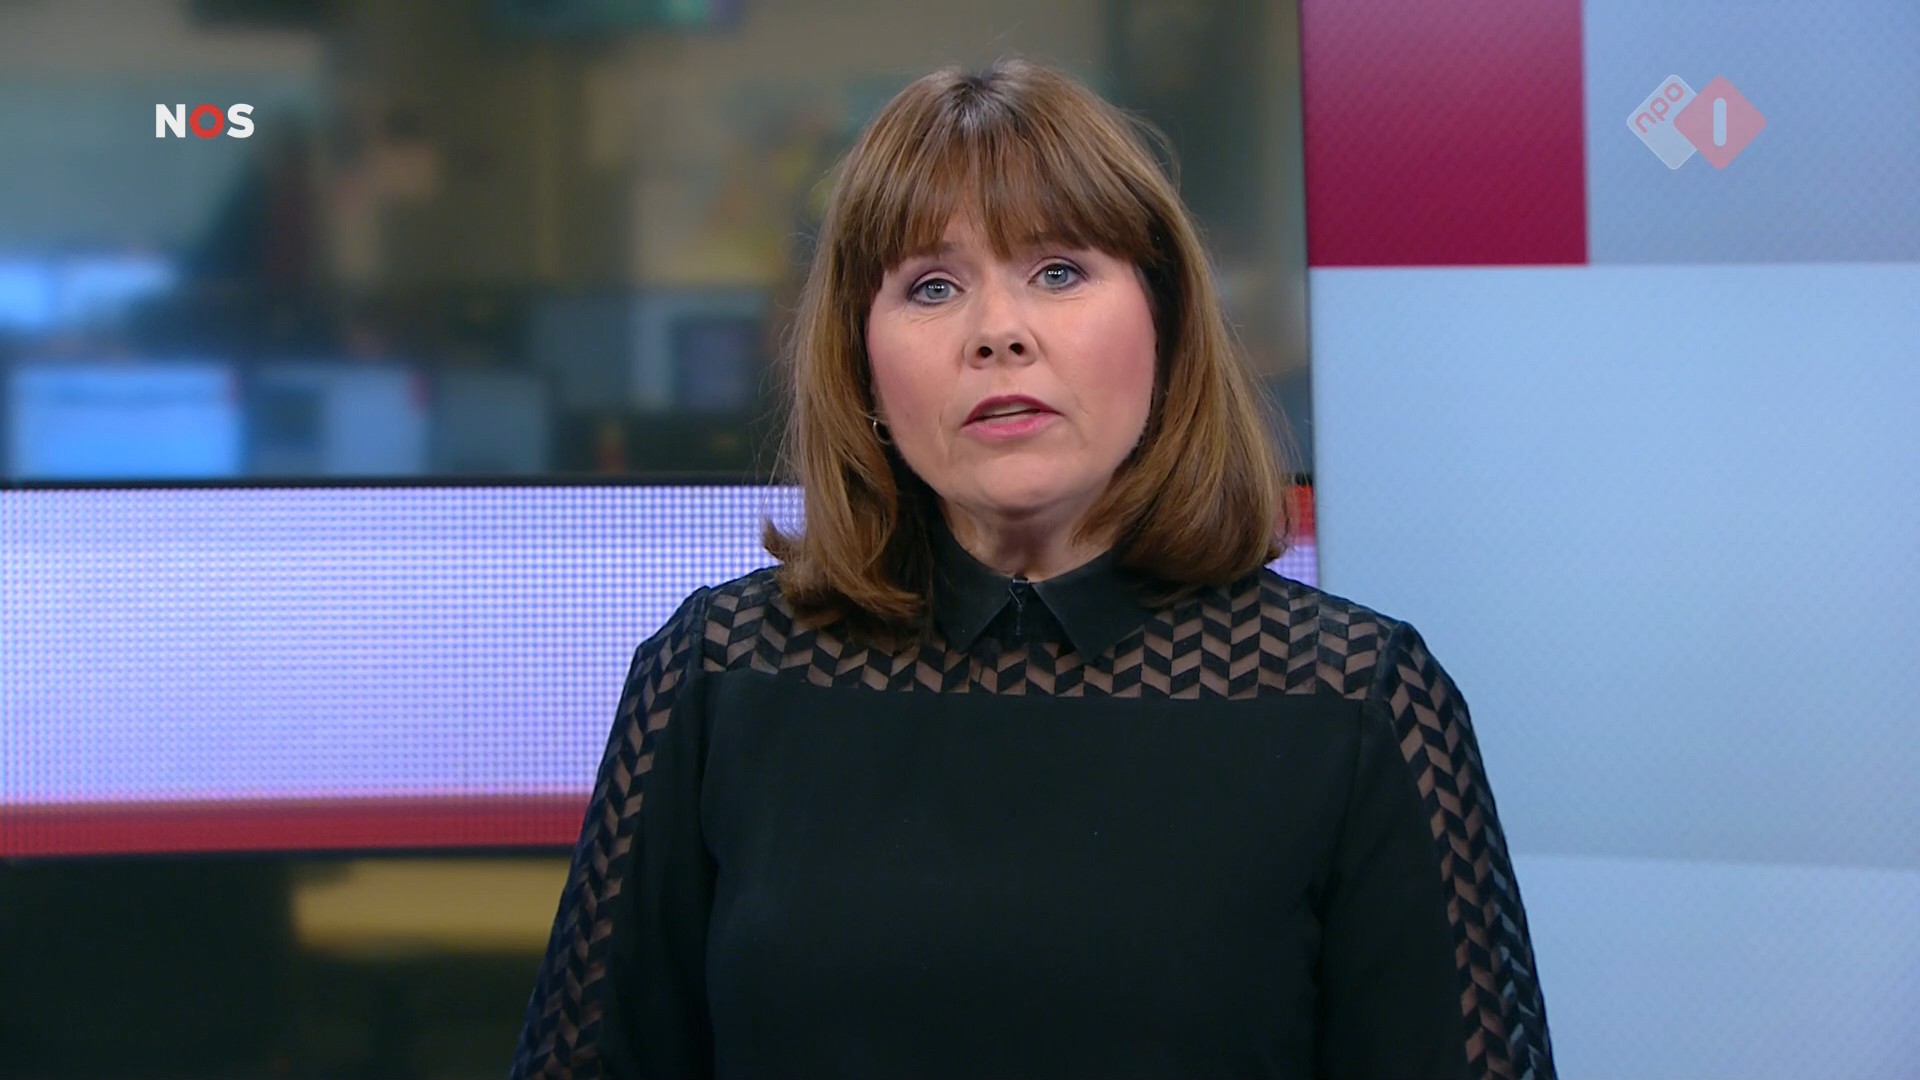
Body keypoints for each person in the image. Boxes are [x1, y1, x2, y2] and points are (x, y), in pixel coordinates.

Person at [510, 58, 1555, 1080]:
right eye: (932, 286)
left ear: (1164, 321)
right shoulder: (715, 676)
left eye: (1058, 272)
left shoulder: (1355, 700)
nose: (998, 333)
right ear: (861, 362)